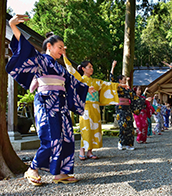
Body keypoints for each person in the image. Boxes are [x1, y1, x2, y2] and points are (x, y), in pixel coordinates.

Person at [6, 15, 94, 185]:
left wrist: (85, 88)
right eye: (59, 47)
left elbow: (72, 81)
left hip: (60, 105)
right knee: (51, 137)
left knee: (67, 137)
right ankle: (32, 168)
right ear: (49, 46)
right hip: (46, 102)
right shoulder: (40, 59)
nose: (62, 50)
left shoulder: (60, 67)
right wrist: (12, 25)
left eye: (63, 48)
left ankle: (61, 173)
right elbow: (25, 48)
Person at [64, 58, 128, 160]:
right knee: (85, 128)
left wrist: (121, 85)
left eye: (92, 67)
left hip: (95, 107)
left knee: (94, 128)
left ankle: (90, 151)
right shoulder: (80, 79)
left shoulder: (96, 81)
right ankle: (82, 150)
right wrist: (64, 55)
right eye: (89, 67)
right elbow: (71, 69)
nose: (91, 69)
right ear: (83, 69)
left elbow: (108, 84)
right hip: (85, 107)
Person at [110, 73, 146, 150]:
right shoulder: (117, 87)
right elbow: (112, 82)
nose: (125, 81)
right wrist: (113, 67)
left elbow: (134, 96)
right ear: (120, 80)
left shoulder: (127, 89)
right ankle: (120, 142)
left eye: (126, 80)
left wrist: (144, 99)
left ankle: (128, 144)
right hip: (120, 109)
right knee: (123, 126)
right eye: (124, 79)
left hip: (127, 108)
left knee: (130, 126)